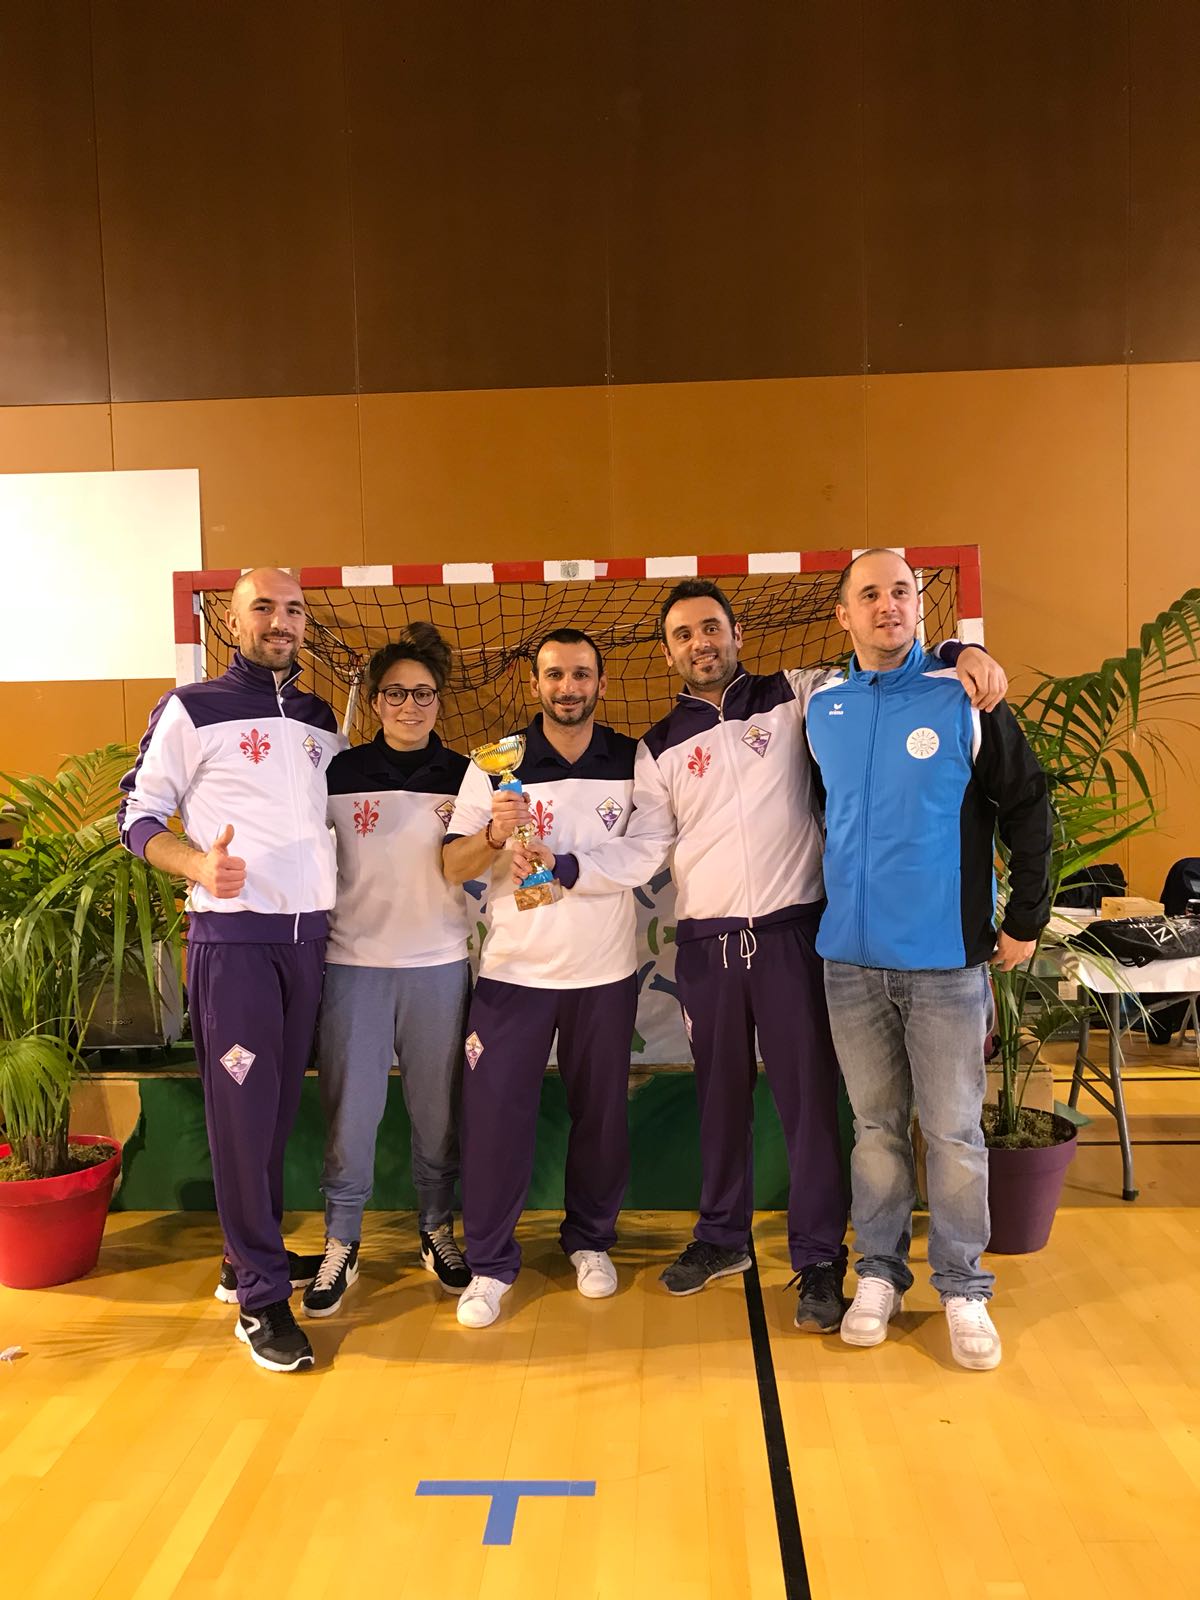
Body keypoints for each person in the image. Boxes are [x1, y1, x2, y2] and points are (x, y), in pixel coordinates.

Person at [513, 579, 1007, 1332]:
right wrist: (567, 867)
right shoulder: (658, 746)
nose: (700, 644)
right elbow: (646, 846)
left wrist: (954, 649)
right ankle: (722, 1237)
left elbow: (879, 662)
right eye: (683, 635)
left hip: (791, 937)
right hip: (707, 946)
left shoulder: (797, 696)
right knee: (719, 1100)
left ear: (736, 633)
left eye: (711, 628)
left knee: (808, 1105)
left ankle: (818, 1256)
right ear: (668, 652)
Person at [808, 549, 1052, 1370]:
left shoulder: (966, 696)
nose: (888, 605)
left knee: (951, 1132)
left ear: (920, 605)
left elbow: (1028, 805)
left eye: (901, 592)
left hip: (947, 963)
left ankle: (962, 1287)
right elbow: (830, 814)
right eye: (869, 594)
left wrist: (1023, 918)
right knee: (876, 1130)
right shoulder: (824, 708)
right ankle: (878, 1274)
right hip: (849, 964)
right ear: (843, 614)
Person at [119, 568, 342, 1373]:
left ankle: (242, 1256)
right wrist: (195, 867)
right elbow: (136, 815)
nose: (281, 621)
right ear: (233, 621)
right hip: (234, 943)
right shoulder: (191, 709)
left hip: (308, 943)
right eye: (264, 608)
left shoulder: (320, 719)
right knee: (243, 1118)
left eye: (294, 609)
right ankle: (260, 1299)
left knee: (275, 1114)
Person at [441, 629, 639, 1329]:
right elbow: (452, 866)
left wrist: (567, 867)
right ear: (534, 685)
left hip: (605, 973)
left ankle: (591, 1241)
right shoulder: (494, 764)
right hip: (513, 975)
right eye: (554, 674)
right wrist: (495, 836)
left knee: (602, 1117)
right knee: (495, 1120)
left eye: (581, 674)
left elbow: (648, 851)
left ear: (602, 683)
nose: (568, 687)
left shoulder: (632, 759)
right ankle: (491, 1265)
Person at [303, 623, 472, 1317]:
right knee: (352, 1113)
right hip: (355, 967)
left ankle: (436, 1228)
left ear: (439, 700)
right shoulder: (337, 774)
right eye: (396, 693)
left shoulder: (468, 776)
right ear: (376, 701)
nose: (410, 705)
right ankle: (342, 1240)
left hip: (440, 966)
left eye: (423, 693)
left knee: (438, 1112)